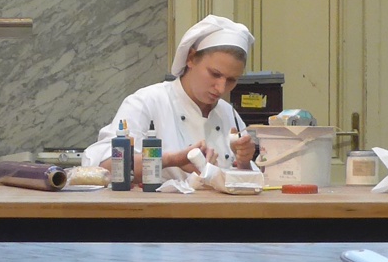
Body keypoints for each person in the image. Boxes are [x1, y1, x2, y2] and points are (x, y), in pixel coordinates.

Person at [83, 15, 260, 182]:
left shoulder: (228, 113)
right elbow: (105, 167)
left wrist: (244, 162)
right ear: (191, 58)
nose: (221, 88)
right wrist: (170, 160)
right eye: (215, 74)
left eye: (231, 80)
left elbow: (242, 181)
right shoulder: (147, 102)